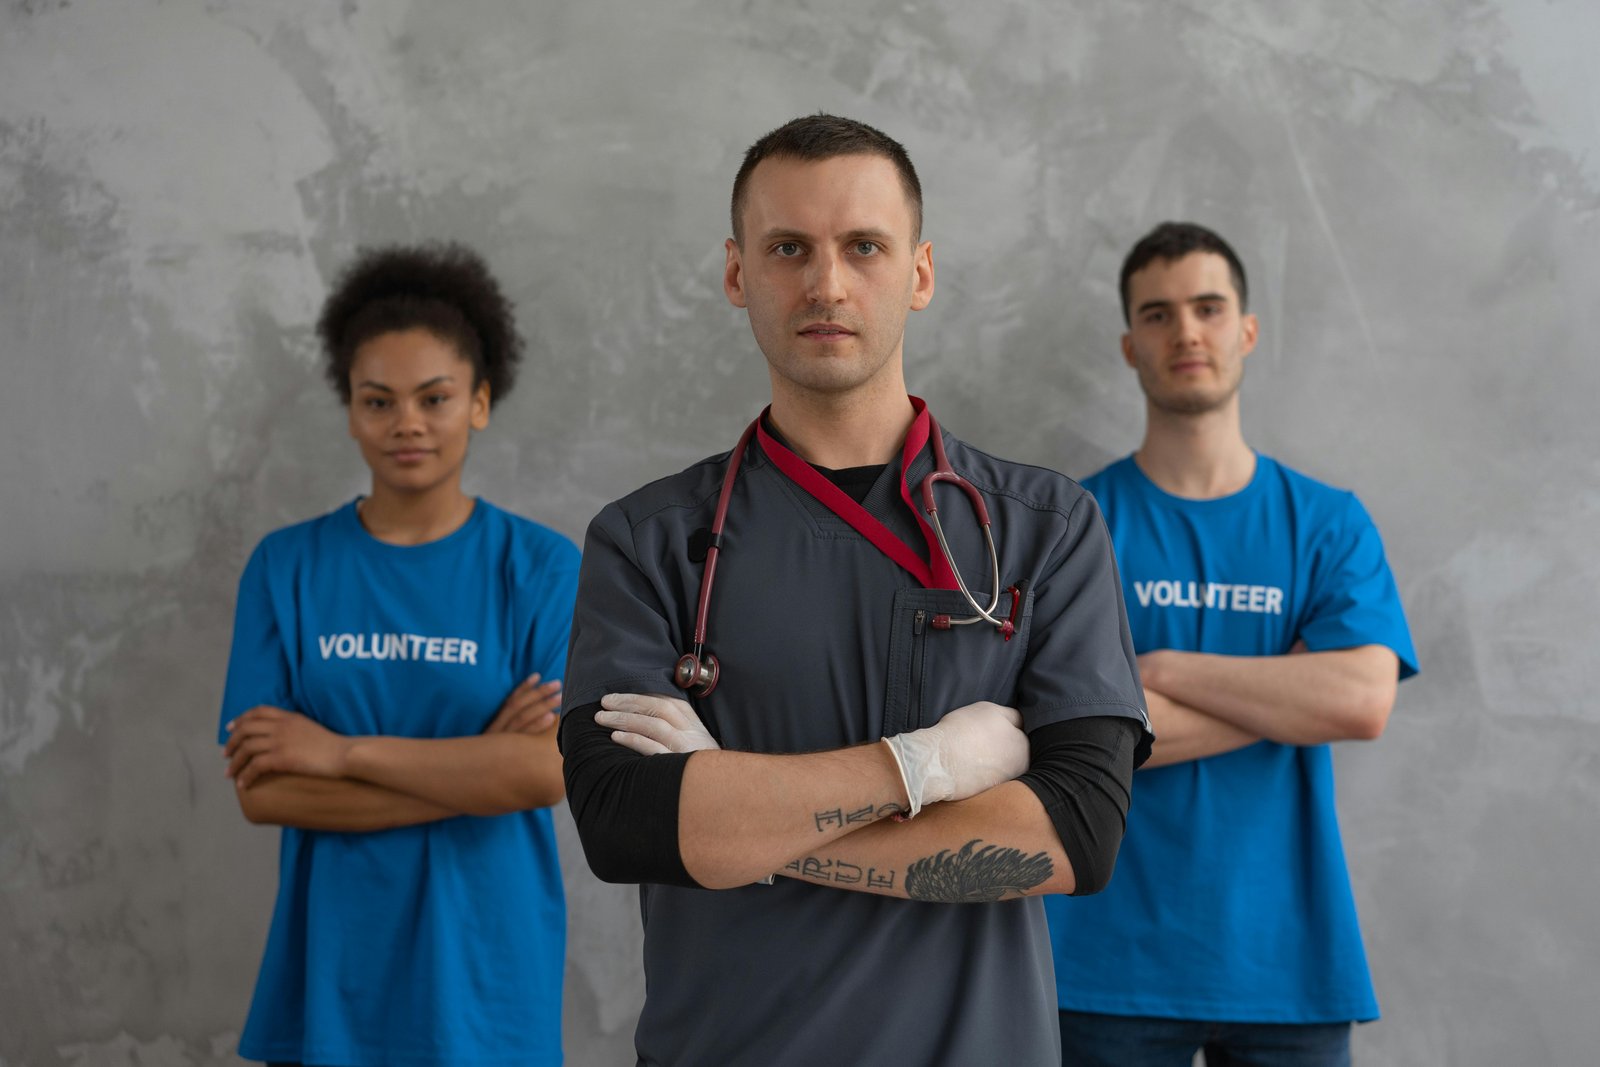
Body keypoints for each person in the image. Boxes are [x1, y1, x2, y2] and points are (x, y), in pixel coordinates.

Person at [558, 114, 1152, 1066]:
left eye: (863, 247)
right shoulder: (648, 542)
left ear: (919, 273)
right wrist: (928, 766)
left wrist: (739, 824)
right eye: (788, 247)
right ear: (736, 273)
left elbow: (1074, 837)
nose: (826, 284)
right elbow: (627, 823)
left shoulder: (1046, 528)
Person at [1044, 222, 1419, 1066]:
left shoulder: (1327, 522)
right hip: (1104, 962)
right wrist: (1293, 693)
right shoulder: (1073, 525)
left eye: (1209, 308)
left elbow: (1361, 702)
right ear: (1130, 345)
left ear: (1246, 329)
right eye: (1159, 313)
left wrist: (1162, 670)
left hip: (1285, 960)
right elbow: (1070, 738)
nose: (1187, 332)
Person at [217, 243, 579, 1066]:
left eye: (435, 397)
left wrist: (341, 753)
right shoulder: (287, 566)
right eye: (377, 400)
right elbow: (267, 792)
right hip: (331, 982)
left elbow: (547, 773)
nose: (406, 423)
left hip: (487, 983)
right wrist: (479, 767)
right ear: (349, 410)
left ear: (480, 402)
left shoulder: (543, 568)